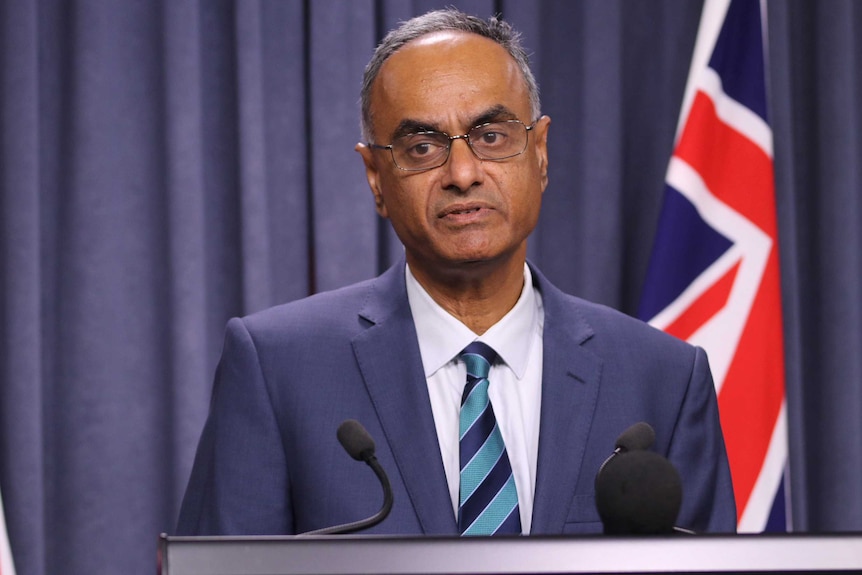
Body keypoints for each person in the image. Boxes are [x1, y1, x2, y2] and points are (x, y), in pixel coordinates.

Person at [176, 8, 736, 536]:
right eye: (422, 147)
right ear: (375, 177)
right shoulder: (278, 370)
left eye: (492, 137)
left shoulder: (662, 378)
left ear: (539, 153)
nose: (463, 173)